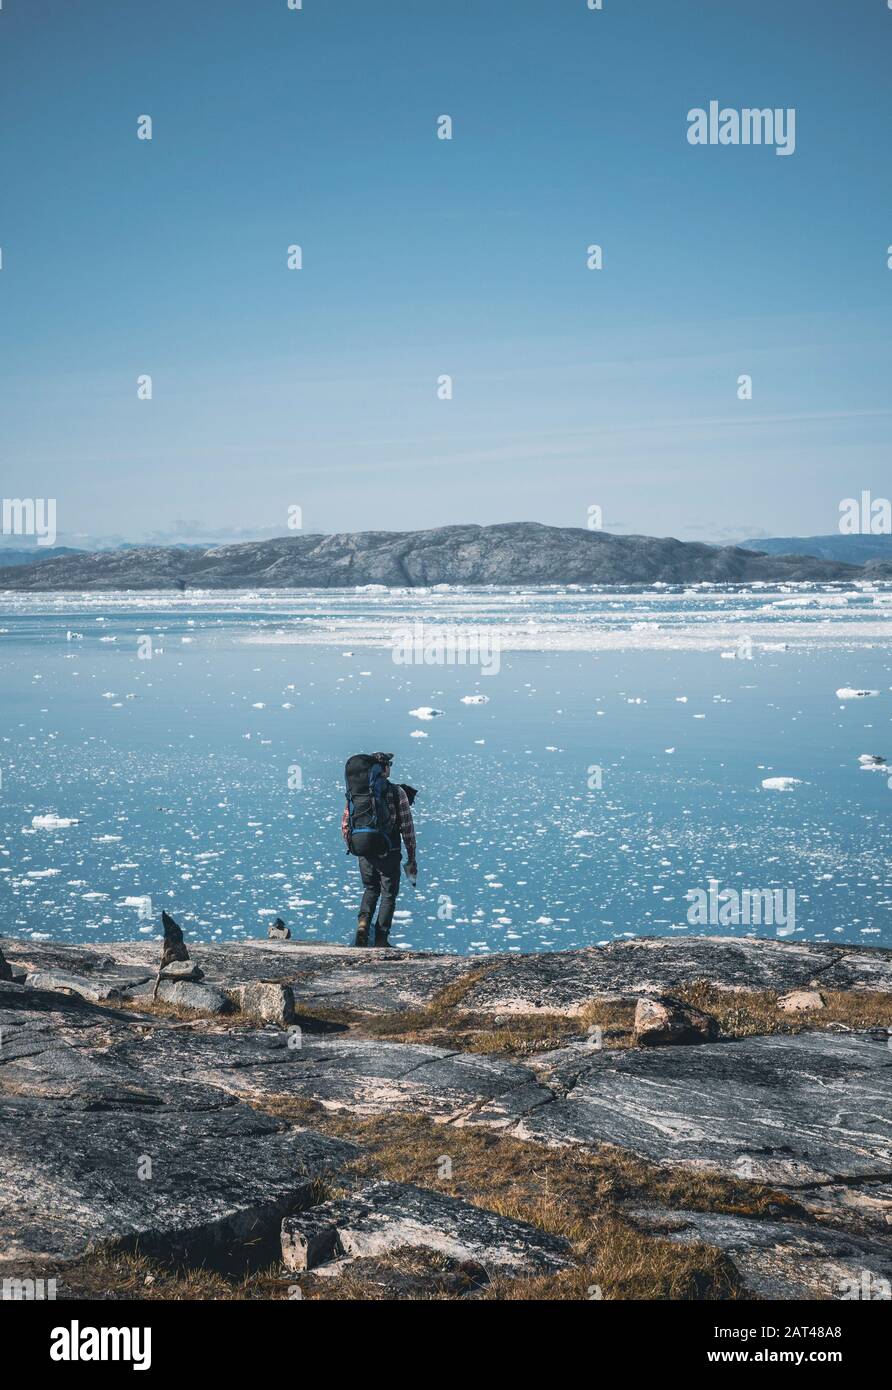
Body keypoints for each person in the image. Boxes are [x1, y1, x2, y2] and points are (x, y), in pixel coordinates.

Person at [342, 752, 417, 947]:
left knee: (370, 888)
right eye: (389, 764)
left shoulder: (357, 792)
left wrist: (355, 846)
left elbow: (346, 822)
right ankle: (382, 938)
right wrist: (411, 856)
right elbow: (407, 826)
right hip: (389, 850)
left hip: (364, 849)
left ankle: (363, 923)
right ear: (384, 768)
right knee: (388, 894)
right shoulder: (396, 792)